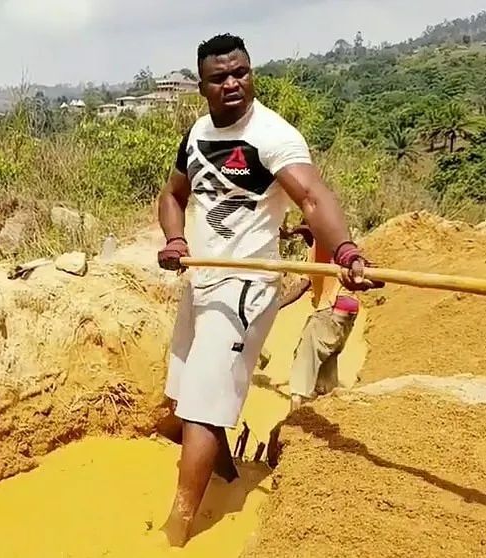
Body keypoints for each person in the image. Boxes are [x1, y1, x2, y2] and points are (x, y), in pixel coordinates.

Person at [156, 33, 382, 548]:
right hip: (201, 278)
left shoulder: (273, 135)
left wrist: (345, 251)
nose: (233, 83)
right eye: (220, 77)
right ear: (202, 86)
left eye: (241, 72)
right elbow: (172, 195)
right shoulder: (195, 134)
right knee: (189, 393)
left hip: (244, 287)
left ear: (251, 73)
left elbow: (313, 197)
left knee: (201, 408)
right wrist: (174, 237)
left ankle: (177, 528)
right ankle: (228, 475)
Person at [278, 221, 362, 413]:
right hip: (347, 311)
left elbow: (319, 230)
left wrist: (297, 229)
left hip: (330, 308)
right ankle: (330, 409)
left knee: (303, 366)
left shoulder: (325, 244)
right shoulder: (321, 252)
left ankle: (295, 421)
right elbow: (303, 285)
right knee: (327, 361)